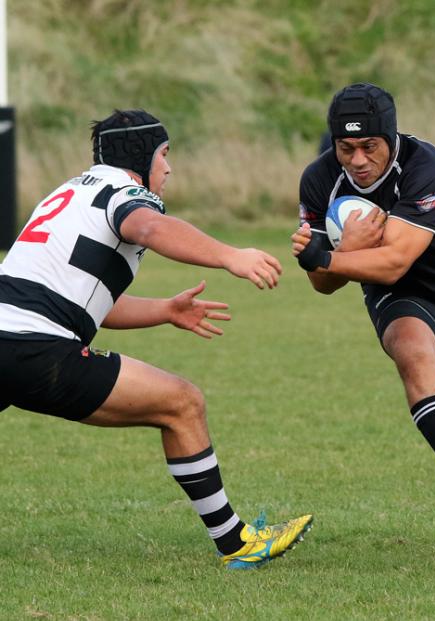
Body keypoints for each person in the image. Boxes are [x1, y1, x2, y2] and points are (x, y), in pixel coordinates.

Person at [0, 109, 313, 569]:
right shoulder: (123, 193)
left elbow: (80, 302)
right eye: (164, 155)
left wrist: (166, 310)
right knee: (181, 403)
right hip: (35, 348)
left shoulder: (68, 192)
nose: (168, 168)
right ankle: (237, 542)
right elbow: (148, 228)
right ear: (142, 156)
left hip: (13, 334)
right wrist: (230, 255)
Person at [291, 83, 435, 552]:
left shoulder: (424, 165)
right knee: (413, 354)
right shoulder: (318, 180)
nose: (356, 160)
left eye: (368, 147)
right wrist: (337, 257)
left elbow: (394, 257)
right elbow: (324, 284)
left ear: (391, 138)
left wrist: (333, 256)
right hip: (401, 294)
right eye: (345, 148)